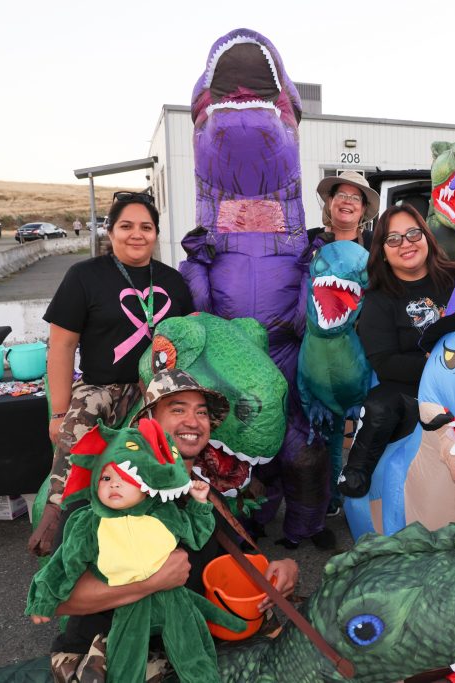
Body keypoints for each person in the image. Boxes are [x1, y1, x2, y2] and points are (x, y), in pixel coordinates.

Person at [47, 369, 299, 681]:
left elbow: (243, 561)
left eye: (201, 412)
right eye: (177, 409)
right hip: (103, 649)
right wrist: (151, 583)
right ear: (147, 422)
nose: (193, 422)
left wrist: (284, 568)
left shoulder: (207, 497)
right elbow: (59, 600)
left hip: (187, 634)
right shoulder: (102, 493)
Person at [29, 191, 196, 557]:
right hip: (101, 387)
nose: (137, 234)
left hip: (155, 391)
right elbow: (60, 347)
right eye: (126, 226)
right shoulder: (84, 276)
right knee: (82, 414)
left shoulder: (173, 281)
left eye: (146, 227)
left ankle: (180, 523)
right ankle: (58, 510)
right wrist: (59, 413)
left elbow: (190, 336)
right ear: (110, 231)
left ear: (155, 233)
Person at [27, 418, 241, 683]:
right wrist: (154, 582)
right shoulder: (87, 515)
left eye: (200, 411)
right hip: (109, 629)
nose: (114, 484)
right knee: (127, 662)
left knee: (195, 658)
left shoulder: (183, 505)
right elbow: (62, 570)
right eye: (106, 477)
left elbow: (202, 538)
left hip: (176, 608)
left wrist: (199, 505)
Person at [336, 204, 455, 497]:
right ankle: (357, 470)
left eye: (412, 233)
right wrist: (436, 364)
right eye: (393, 239)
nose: (405, 243)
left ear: (427, 237)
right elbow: (385, 363)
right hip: (410, 389)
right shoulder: (379, 300)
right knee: (379, 405)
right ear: (382, 250)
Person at [308, 171, 379, 249]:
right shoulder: (308, 239)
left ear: (363, 209)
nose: (347, 201)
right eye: (341, 195)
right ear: (330, 202)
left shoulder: (376, 243)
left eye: (355, 198)